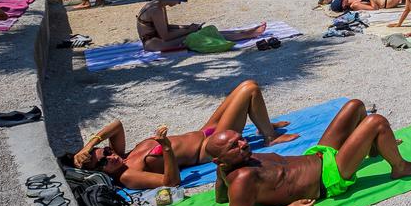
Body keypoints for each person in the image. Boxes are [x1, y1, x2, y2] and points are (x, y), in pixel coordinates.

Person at [208, 100, 411, 206]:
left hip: (317, 156)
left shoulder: (239, 160)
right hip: (328, 179)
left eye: (239, 139)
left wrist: (222, 175)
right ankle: (401, 167)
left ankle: (374, 147)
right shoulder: (243, 178)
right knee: (376, 121)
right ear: (220, 160)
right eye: (234, 146)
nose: (243, 144)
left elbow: (221, 198)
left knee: (355, 106)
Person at [61, 81, 298, 189]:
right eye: (103, 163)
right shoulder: (128, 176)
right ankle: (269, 136)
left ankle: (262, 124)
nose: (109, 158)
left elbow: (116, 124)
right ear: (101, 174)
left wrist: (88, 146)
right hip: (207, 149)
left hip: (204, 130)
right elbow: (170, 182)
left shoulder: (122, 154)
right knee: (249, 89)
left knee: (241, 90)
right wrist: (164, 147)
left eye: (104, 153)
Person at [136, 0, 267, 52]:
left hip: (156, 39)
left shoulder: (158, 5)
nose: (179, 3)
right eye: (179, 0)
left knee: (204, 30)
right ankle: (247, 34)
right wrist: (189, 30)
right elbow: (165, 36)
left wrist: (187, 27)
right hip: (154, 44)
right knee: (200, 35)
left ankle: (246, 33)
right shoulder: (156, 10)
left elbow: (165, 27)